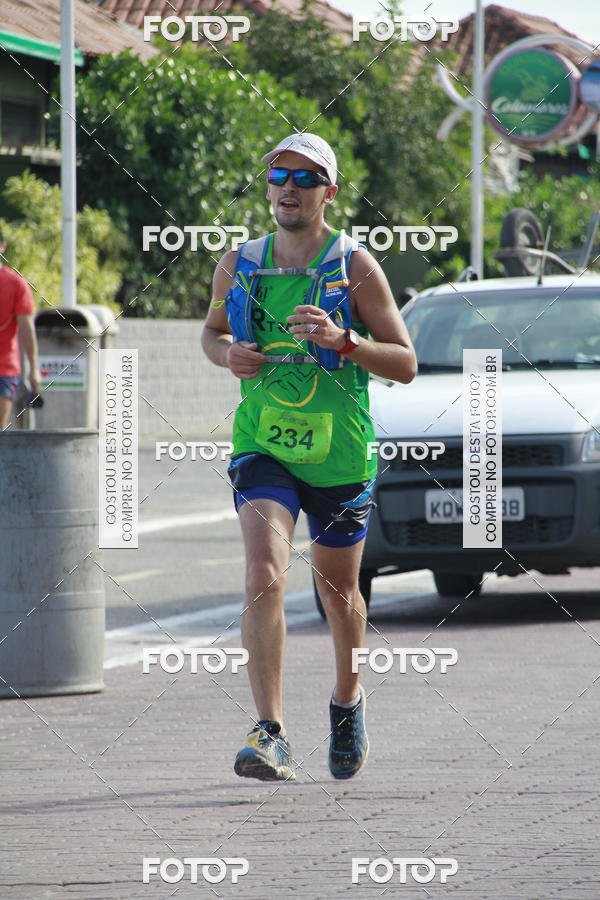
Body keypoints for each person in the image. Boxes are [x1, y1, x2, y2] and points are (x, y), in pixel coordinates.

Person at [201, 133, 417, 781]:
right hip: (263, 442)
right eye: (278, 174)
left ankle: (347, 703)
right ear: (267, 186)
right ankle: (269, 730)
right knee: (264, 567)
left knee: (337, 588)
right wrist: (226, 354)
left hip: (339, 451)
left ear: (330, 190)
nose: (289, 186)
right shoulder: (238, 263)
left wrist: (344, 340)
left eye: (306, 176)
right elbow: (212, 335)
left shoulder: (356, 268)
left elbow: (404, 362)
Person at [0, 231, 40, 430]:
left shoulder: (16, 284)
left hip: (4, 369)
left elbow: (26, 328)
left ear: (2, 247)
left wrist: (34, 370)